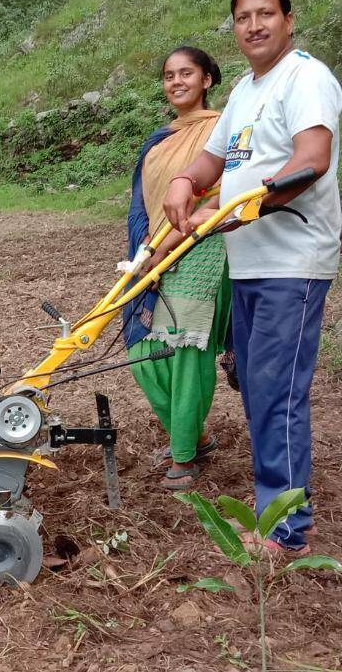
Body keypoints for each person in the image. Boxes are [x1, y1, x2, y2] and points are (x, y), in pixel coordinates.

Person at [163, 0, 342, 553]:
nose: (255, 25)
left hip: (293, 260)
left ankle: (287, 528)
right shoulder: (245, 88)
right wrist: (186, 180)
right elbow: (217, 154)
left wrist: (244, 209)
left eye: (266, 14)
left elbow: (310, 160)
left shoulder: (306, 78)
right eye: (243, 17)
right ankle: (280, 510)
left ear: (289, 20)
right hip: (248, 263)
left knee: (277, 390)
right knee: (258, 388)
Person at [123, 47, 229, 491]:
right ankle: (195, 434)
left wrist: (166, 247)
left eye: (187, 73)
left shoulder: (220, 130)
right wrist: (148, 250)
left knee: (185, 351)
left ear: (207, 79)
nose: (176, 81)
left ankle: (184, 456)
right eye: (169, 75)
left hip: (203, 247)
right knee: (141, 354)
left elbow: (221, 196)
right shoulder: (159, 139)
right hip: (154, 249)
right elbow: (144, 204)